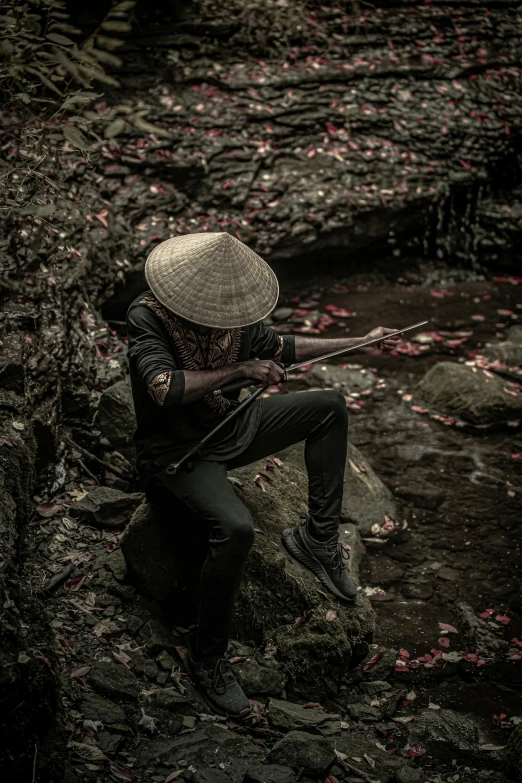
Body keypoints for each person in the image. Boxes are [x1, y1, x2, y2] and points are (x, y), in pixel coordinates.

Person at [126, 232, 401, 719]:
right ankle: (207, 659)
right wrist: (242, 370)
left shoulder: (238, 318)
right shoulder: (149, 317)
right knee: (235, 528)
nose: (222, 316)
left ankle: (318, 540)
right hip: (180, 452)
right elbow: (164, 388)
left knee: (328, 407)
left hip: (235, 428)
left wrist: (361, 342)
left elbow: (285, 345)